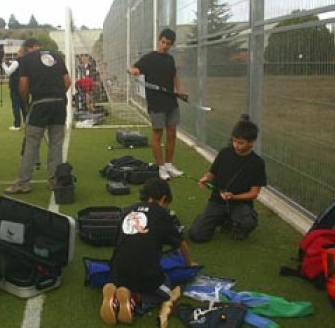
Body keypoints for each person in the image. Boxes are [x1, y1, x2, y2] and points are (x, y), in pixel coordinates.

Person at [100, 178, 197, 326]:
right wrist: (189, 263)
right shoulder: (162, 214)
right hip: (145, 276)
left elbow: (118, 242)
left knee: (131, 268)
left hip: (117, 272)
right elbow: (181, 244)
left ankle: (114, 297)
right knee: (166, 292)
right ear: (164, 198)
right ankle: (135, 299)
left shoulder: (126, 210)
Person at [4, 38, 71, 194]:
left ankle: (23, 183)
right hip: (59, 104)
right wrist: (58, 94)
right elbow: (67, 81)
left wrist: (27, 103)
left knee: (31, 143)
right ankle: (55, 180)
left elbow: (23, 84)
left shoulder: (27, 59)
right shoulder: (56, 55)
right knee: (56, 143)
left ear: (28, 48)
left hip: (40, 104)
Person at [188, 114, 267, 242]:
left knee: (248, 223)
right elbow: (212, 173)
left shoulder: (257, 163)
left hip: (239, 203)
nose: (236, 145)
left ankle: (239, 221)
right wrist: (205, 178)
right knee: (197, 235)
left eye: (241, 143)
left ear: (251, 143)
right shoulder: (224, 153)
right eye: (234, 141)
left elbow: (254, 193)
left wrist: (233, 197)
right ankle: (218, 219)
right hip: (217, 201)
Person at [127, 28, 186, 181]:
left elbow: (174, 76)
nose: (165, 46)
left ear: (171, 45)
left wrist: (179, 91)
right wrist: (132, 71)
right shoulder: (149, 58)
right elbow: (133, 68)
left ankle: (169, 165)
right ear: (159, 40)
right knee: (157, 135)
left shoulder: (170, 59)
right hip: (156, 104)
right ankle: (160, 168)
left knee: (172, 134)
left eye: (168, 44)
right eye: (163, 42)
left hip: (171, 102)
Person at [1, 47, 27, 131]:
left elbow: (8, 72)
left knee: (16, 106)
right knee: (24, 106)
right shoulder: (26, 61)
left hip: (15, 86)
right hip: (24, 86)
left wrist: (3, 65)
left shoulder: (17, 62)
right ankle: (27, 123)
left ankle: (17, 125)